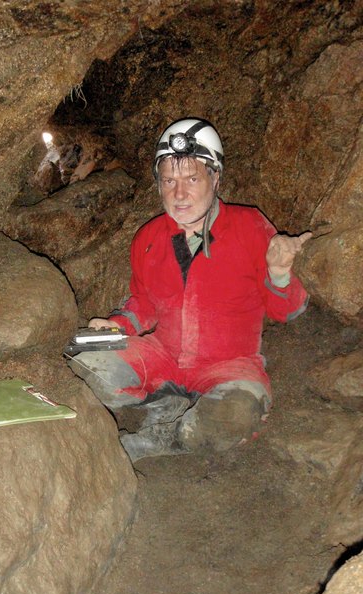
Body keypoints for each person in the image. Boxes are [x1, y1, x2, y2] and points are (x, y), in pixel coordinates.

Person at [69, 117, 311, 462]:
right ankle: (169, 403)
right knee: (89, 366)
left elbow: (287, 311)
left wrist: (280, 272)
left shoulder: (250, 226)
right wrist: (118, 325)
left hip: (229, 364)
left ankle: (169, 436)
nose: (179, 194)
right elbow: (143, 303)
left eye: (192, 179)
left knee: (236, 414)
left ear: (215, 177)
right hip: (163, 355)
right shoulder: (149, 238)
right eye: (169, 180)